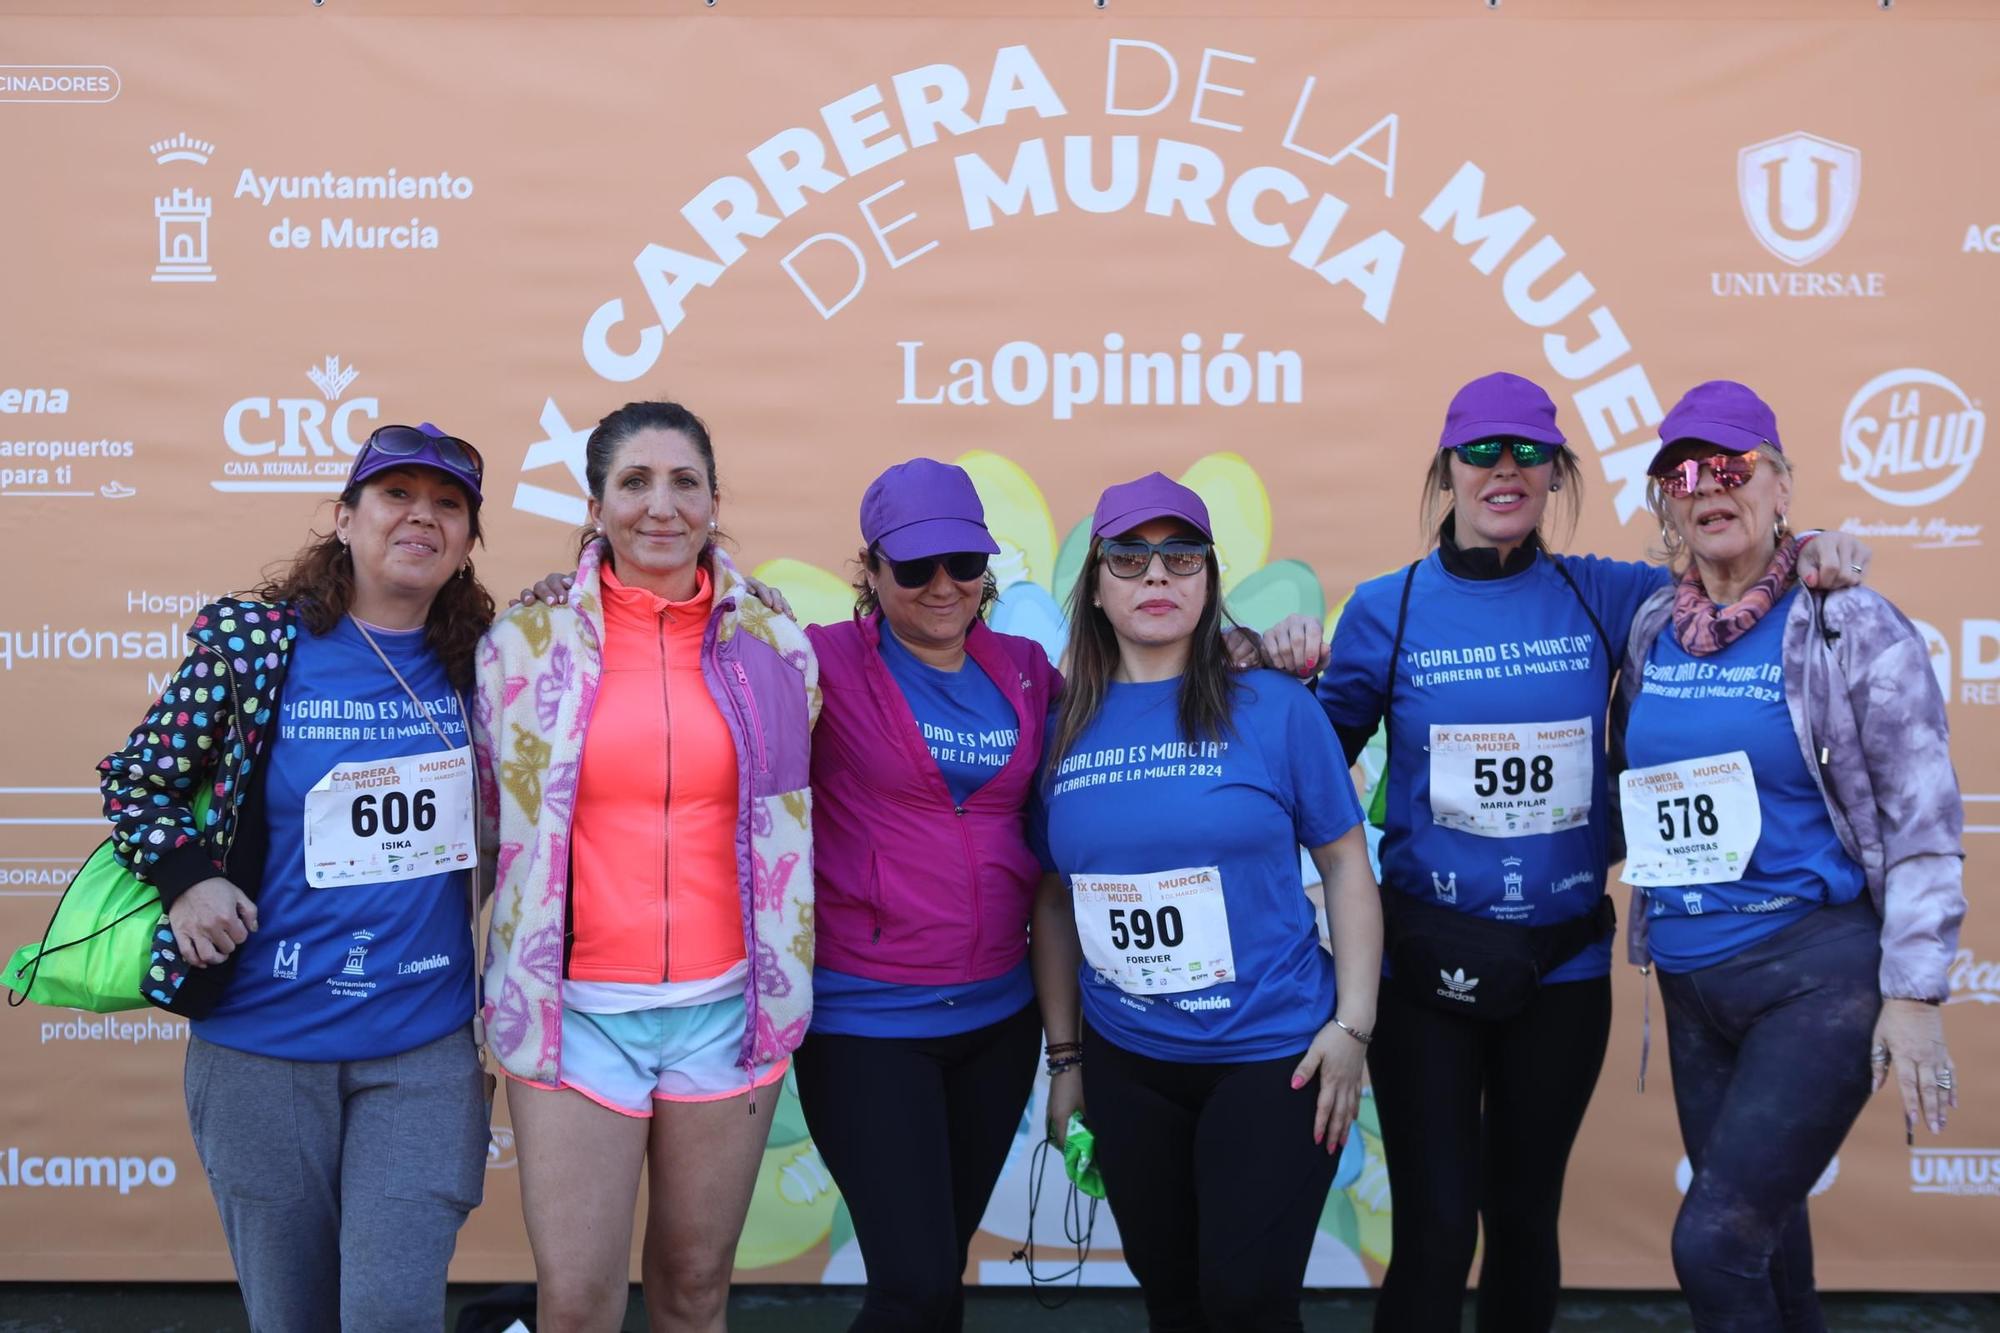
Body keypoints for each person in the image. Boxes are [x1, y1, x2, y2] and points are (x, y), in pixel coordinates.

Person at [1261, 372, 1874, 1333]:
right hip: (1428, 966)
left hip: (1563, 968)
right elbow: (1305, 770)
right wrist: (1267, 669)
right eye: (1482, 453)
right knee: (1433, 1224)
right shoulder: (1390, 609)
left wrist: (1817, 548)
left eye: (1528, 453)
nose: (1504, 470)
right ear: (1446, 470)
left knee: (1523, 1218)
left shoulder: (1613, 596)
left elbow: (1734, 569)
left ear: (1555, 474)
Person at [98, 423, 497, 1330]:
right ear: (345, 517)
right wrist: (188, 879)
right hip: (260, 1045)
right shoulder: (254, 648)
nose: (421, 517)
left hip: (423, 1046)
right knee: (293, 1318)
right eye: (396, 495)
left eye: (448, 504)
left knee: (391, 1312)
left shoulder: (492, 663)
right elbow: (138, 780)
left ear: (469, 541)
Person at [1613, 380, 1963, 1331]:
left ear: (1780, 485)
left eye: (1732, 465)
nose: (1707, 486)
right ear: (1665, 501)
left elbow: (1924, 817)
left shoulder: (1849, 622)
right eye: (1683, 472)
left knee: (1714, 1242)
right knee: (1768, 1248)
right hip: (1690, 982)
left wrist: (1916, 994)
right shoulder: (1654, 629)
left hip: (1815, 977)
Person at [474, 400, 818, 1333]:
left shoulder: (778, 649)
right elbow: (475, 830)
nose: (659, 506)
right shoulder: (521, 648)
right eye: (634, 482)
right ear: (596, 503)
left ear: (714, 500)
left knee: (694, 1292)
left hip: (729, 1014)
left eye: (683, 482)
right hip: (576, 1017)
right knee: (578, 1305)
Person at [1032, 472, 1382, 1333]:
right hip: (1129, 1064)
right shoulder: (1059, 723)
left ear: (1208, 579)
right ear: (1098, 586)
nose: (1156, 577)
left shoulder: (1275, 709)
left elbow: (1345, 865)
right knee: (1176, 1302)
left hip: (1271, 1056)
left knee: (1248, 1302)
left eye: (1180, 557)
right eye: (1130, 557)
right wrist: (1067, 1060)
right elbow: (1053, 899)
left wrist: (1353, 1027)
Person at [789, 458, 1063, 1332]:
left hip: (997, 1019)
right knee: (911, 1284)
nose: (944, 586)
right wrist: (571, 602)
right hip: (866, 1023)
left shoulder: (1024, 669)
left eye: (964, 563)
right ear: (869, 571)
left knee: (940, 1273)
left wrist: (1247, 647)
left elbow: (1151, 683)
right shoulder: (820, 658)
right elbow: (691, 645)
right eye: (914, 567)